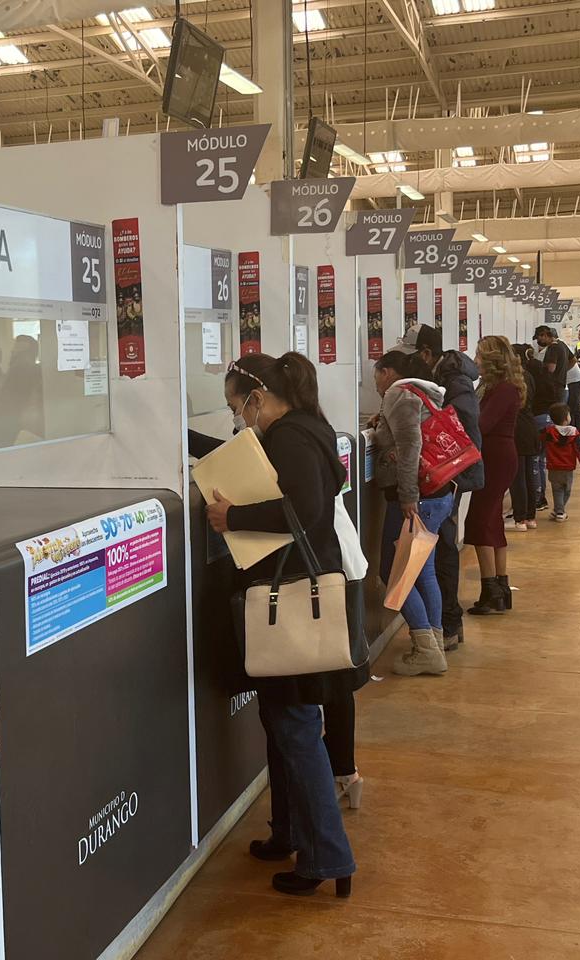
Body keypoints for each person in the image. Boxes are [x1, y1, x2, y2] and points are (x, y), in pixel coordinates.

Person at [203, 352, 358, 898]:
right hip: (297, 591)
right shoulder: (308, 427)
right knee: (283, 722)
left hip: (287, 597)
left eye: (237, 406)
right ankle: (288, 832)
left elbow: (305, 511)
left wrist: (233, 517)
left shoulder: (289, 437)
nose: (238, 418)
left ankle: (326, 857)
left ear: (259, 397)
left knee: (294, 726)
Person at [390, 324, 483, 652]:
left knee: (440, 552)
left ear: (427, 354)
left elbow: (461, 430)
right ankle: (444, 625)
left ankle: (447, 625)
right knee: (436, 555)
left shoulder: (454, 382)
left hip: (447, 480)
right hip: (448, 478)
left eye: (411, 358)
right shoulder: (447, 378)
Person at [370, 351, 454, 676]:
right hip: (438, 493)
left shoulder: (398, 394)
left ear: (387, 372)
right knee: (422, 572)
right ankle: (433, 642)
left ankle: (427, 649)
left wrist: (408, 495)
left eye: (376, 376)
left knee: (394, 572)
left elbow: (410, 446)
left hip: (417, 499)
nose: (375, 384)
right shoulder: (421, 391)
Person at [464, 336, 525, 615]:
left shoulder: (502, 389)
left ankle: (491, 590)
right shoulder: (499, 387)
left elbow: (482, 424)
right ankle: (500, 588)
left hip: (495, 459)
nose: (475, 360)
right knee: (492, 522)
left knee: (480, 522)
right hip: (497, 457)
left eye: (479, 355)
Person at [520, 343, 558, 512]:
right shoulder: (543, 371)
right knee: (540, 461)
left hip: (536, 418)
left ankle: (537, 498)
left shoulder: (528, 375)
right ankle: (540, 497)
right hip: (547, 417)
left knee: (534, 462)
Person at [509, 347, 541, 532]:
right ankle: (530, 516)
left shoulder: (512, 379)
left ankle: (519, 518)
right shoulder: (529, 376)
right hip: (530, 425)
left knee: (518, 476)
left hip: (518, 428)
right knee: (529, 474)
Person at [541, 401, 580, 522]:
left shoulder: (548, 431)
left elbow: (540, 442)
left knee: (556, 489)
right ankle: (560, 511)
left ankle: (557, 509)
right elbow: (579, 449)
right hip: (567, 467)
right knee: (566, 490)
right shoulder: (573, 433)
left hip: (553, 466)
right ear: (566, 418)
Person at [535, 325, 575, 405]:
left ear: (545, 335)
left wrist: (538, 367)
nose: (538, 341)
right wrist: (563, 370)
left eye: (539, 339)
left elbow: (551, 368)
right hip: (562, 386)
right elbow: (574, 360)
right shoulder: (562, 344)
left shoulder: (553, 347)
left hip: (554, 387)